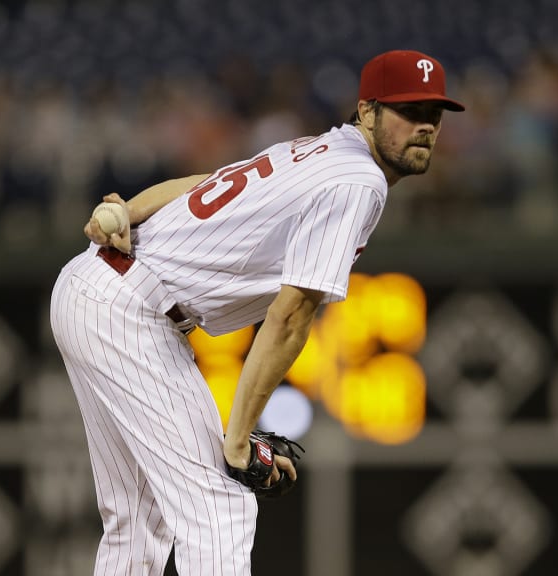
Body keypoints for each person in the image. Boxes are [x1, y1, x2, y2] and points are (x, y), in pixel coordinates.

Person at [49, 49, 465, 575]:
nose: (425, 125)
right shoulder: (359, 180)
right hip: (128, 309)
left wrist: (127, 211)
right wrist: (238, 440)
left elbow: (201, 183)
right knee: (220, 506)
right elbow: (292, 316)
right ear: (367, 112)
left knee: (137, 518)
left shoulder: (318, 149)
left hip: (96, 287)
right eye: (409, 111)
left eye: (434, 113)